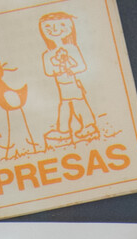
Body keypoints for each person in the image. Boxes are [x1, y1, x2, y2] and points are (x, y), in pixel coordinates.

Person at [38, 12, 98, 146]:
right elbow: (48, 71)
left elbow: (82, 66)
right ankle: (64, 131)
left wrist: (70, 69)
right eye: (48, 27)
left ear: (70, 28)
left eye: (61, 25)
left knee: (78, 103)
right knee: (65, 105)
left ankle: (88, 126)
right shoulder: (47, 54)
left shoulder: (72, 48)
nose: (54, 30)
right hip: (62, 85)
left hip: (73, 84)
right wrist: (57, 69)